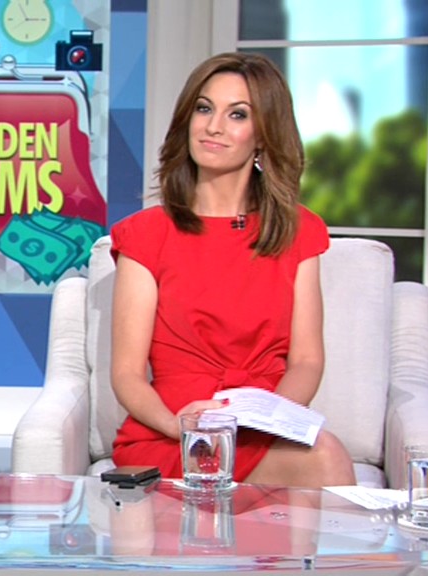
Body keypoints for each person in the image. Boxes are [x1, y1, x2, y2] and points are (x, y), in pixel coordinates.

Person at [109, 52, 355, 488]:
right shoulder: (145, 235)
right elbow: (127, 374)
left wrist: (266, 419)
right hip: (172, 431)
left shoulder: (298, 232)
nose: (214, 126)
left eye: (237, 114)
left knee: (324, 455)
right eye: (204, 109)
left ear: (263, 136)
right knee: (325, 459)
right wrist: (178, 426)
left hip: (257, 426)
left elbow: (306, 361)